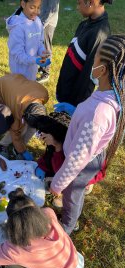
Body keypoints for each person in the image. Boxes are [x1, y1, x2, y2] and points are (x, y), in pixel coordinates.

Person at [50, 34, 125, 235]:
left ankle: (68, 224)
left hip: (81, 164)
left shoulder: (99, 111)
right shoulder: (107, 93)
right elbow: (94, 128)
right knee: (76, 190)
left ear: (104, 70)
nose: (93, 61)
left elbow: (76, 159)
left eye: (96, 58)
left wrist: (58, 183)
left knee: (71, 196)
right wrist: (76, 112)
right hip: (89, 154)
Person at [55, 0, 113, 114]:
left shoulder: (99, 34)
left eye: (79, 3)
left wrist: (76, 108)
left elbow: (89, 76)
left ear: (90, 3)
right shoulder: (85, 24)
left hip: (73, 102)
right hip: (65, 92)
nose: (77, 7)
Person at [0, 74, 48, 160]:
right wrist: (23, 152)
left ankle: (18, 148)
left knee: (31, 128)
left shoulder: (44, 94)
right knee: (21, 129)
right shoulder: (16, 111)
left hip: (16, 82)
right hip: (1, 87)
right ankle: (2, 145)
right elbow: (15, 135)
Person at [6, 0, 51, 81]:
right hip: (19, 74)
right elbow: (18, 55)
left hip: (32, 71)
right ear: (23, 4)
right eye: (32, 7)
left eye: (39, 7)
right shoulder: (17, 27)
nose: (36, 12)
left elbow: (39, 42)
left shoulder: (37, 21)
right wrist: (36, 60)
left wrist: (42, 52)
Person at [36, 0, 60, 83]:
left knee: (46, 48)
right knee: (41, 47)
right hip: (42, 21)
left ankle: (46, 74)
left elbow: (52, 10)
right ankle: (42, 67)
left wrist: (42, 24)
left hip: (48, 24)